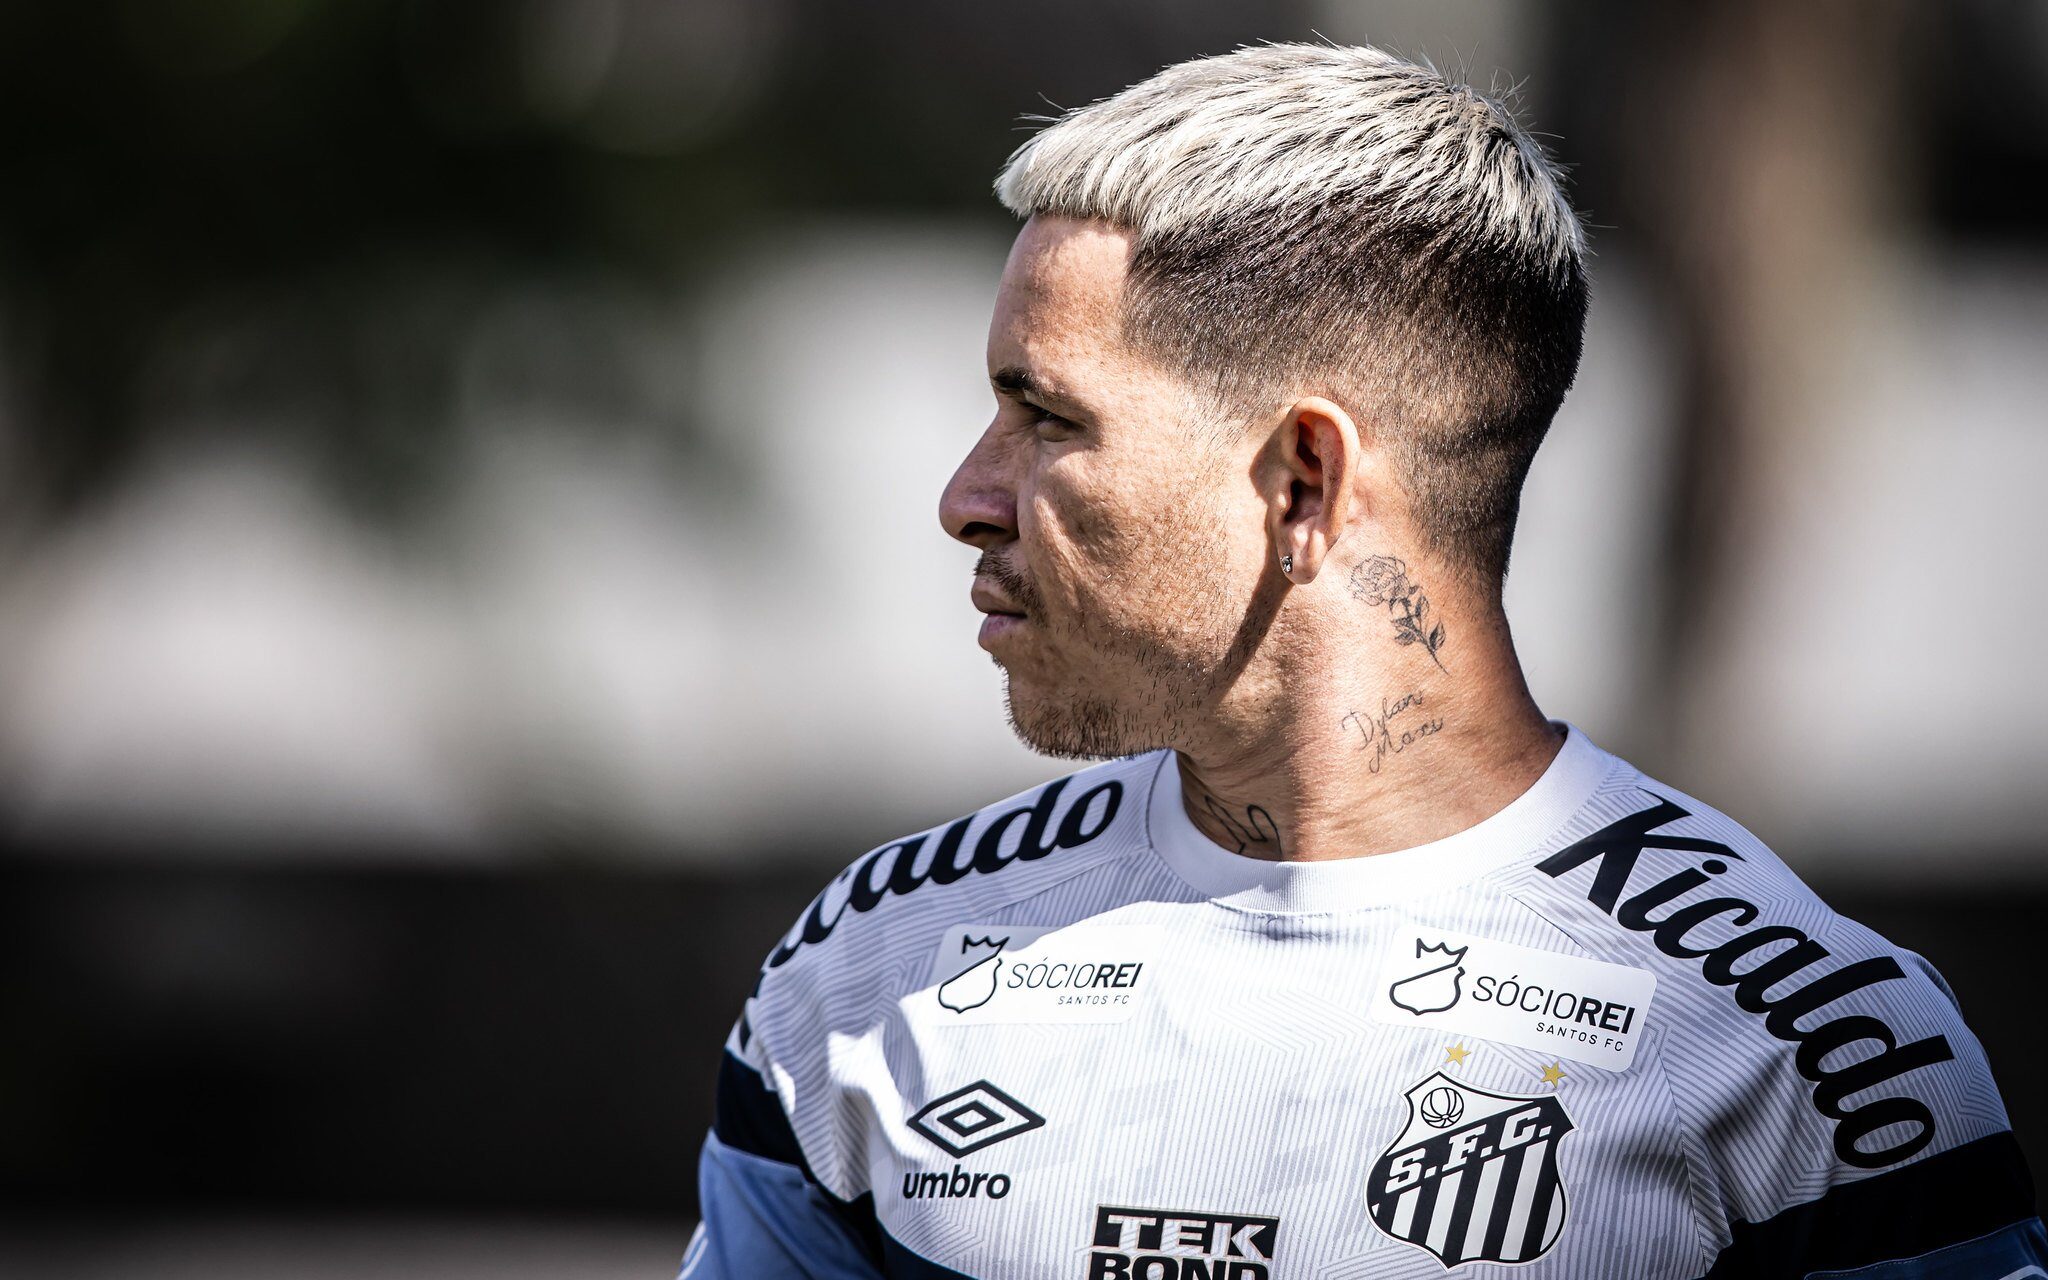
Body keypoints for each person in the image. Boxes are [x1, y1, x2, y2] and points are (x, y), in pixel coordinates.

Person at [680, 40, 2043, 1279]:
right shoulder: (869, 973)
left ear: (1304, 481)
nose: (967, 497)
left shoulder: (1813, 1061)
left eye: (1046, 417)